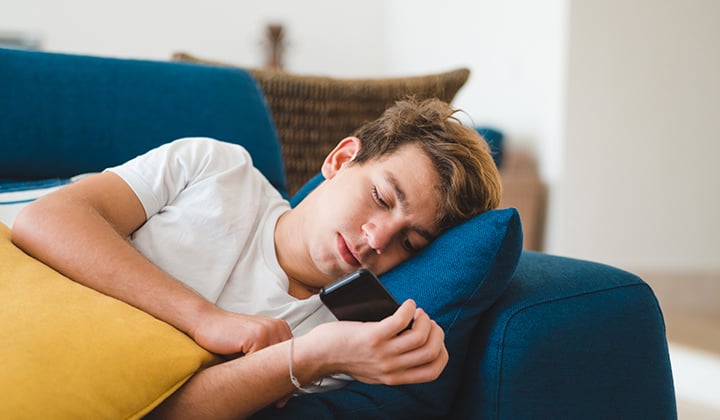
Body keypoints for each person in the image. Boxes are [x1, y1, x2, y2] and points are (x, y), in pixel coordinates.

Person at [11, 98, 501, 419]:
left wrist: (308, 357)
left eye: (410, 243)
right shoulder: (217, 168)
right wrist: (205, 319)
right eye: (379, 197)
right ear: (339, 159)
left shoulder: (337, 339)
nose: (377, 238)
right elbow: (45, 220)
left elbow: (161, 413)